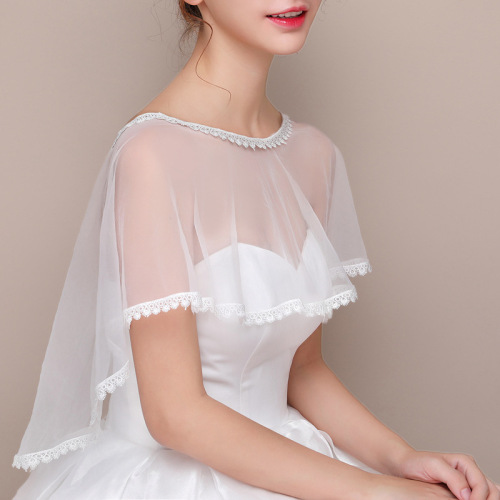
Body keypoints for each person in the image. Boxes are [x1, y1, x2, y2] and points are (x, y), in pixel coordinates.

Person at [12, 1, 499, 499]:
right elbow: (174, 413)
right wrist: (376, 493)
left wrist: (401, 459)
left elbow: (302, 371)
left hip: (289, 459)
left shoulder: (314, 155)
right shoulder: (152, 155)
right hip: (172, 476)